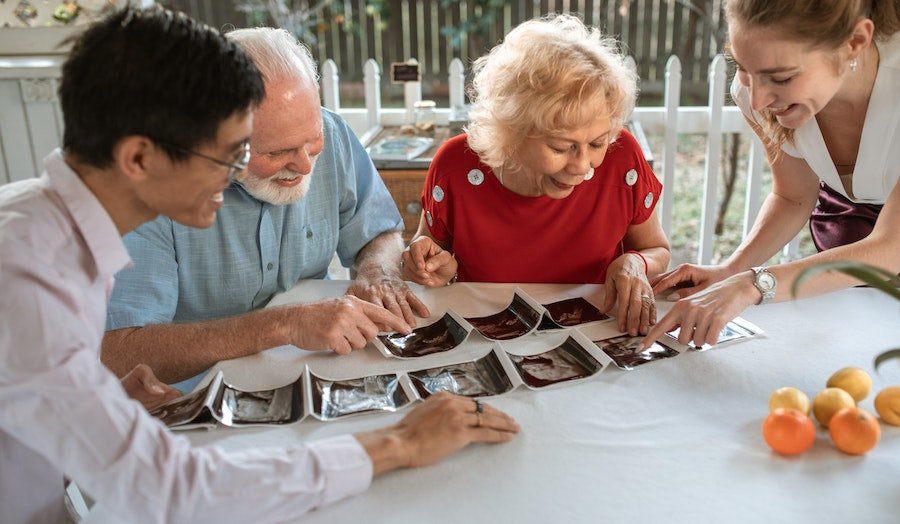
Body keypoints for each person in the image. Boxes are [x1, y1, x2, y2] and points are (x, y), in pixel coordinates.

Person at [0, 7, 519, 522]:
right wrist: (398, 443)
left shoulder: (44, 226)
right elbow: (176, 491)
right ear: (139, 159)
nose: (231, 179)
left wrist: (99, 403)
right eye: (229, 153)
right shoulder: (29, 281)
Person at [102, 26, 430, 391]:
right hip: (198, 395)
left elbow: (378, 232)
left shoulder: (333, 133)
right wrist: (284, 325)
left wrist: (378, 272)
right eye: (276, 153)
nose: (306, 165)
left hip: (320, 373)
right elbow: (118, 352)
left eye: (313, 141)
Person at [642, 0, 900, 349]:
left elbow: (889, 249)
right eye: (742, 66)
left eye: (781, 77)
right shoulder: (753, 94)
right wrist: (730, 270)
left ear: (854, 41)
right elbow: (793, 196)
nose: (759, 99)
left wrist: (755, 283)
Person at [400, 14, 670, 337]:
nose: (583, 165)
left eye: (597, 143)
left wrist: (635, 263)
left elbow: (658, 250)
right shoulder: (456, 166)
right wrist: (426, 264)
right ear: (511, 133)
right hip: (485, 340)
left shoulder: (622, 156)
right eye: (561, 147)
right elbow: (425, 248)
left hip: (594, 338)